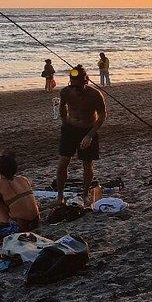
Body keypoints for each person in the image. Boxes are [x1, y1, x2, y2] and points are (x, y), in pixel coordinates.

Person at [55, 64, 106, 205]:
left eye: (78, 86)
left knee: (87, 165)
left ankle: (84, 194)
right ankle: (60, 196)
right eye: (73, 85)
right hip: (70, 129)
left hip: (88, 129)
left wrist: (90, 135)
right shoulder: (65, 92)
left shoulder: (95, 95)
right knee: (62, 164)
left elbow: (102, 115)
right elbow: (62, 107)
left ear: (86, 81)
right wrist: (64, 122)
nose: (75, 89)